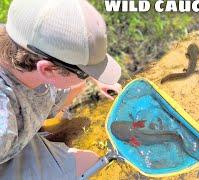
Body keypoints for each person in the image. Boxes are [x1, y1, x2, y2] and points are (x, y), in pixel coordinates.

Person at [0, 0, 122, 179]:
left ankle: (37, 131)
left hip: (19, 122)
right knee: (91, 164)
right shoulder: (3, 125)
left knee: (76, 85)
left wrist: (94, 76)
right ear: (47, 69)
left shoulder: (18, 35)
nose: (87, 77)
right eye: (83, 72)